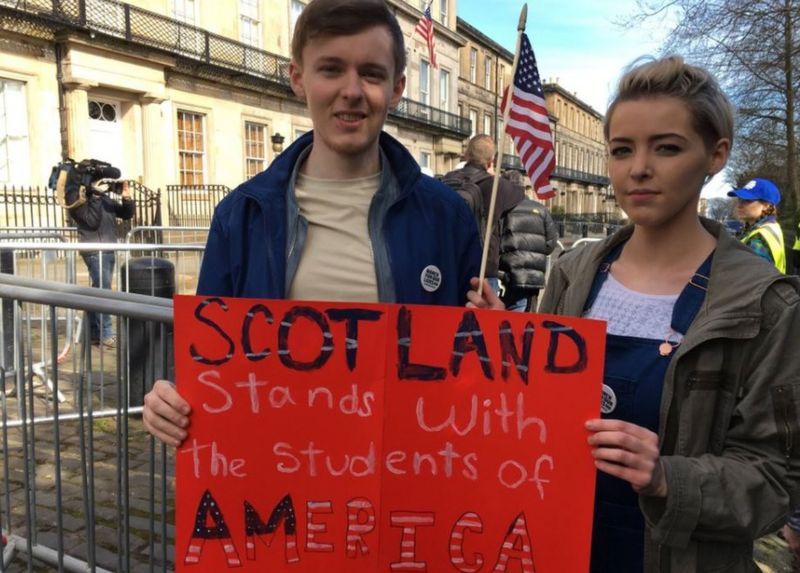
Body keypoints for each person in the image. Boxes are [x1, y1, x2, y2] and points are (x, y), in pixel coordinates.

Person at [469, 55, 800, 572]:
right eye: (622, 150)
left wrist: (668, 476)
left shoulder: (763, 303)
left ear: (716, 155)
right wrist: (504, 349)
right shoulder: (573, 272)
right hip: (554, 548)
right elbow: (536, 418)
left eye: (666, 147)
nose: (638, 168)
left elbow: (775, 484)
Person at [142, 0, 481, 446]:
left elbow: (476, 374)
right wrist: (168, 400)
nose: (352, 90)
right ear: (298, 79)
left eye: (372, 73)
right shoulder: (243, 216)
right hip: (279, 468)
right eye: (331, 69)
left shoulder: (447, 217)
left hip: (408, 472)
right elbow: (207, 363)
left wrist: (496, 345)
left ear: (397, 88)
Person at [442, 135, 524, 298]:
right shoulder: (496, 185)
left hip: (448, 262)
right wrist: (493, 174)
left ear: (466, 155)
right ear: (490, 160)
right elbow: (519, 191)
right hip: (483, 268)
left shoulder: (447, 179)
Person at [68, 177, 135, 347]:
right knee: (104, 292)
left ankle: (92, 333)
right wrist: (96, 197)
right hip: (94, 251)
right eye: (99, 182)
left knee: (96, 291)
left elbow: (126, 214)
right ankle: (106, 333)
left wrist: (127, 198)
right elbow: (92, 221)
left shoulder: (105, 200)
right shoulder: (79, 201)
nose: (104, 185)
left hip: (107, 249)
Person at [497, 196, 558, 311]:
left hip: (509, 270)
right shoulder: (541, 209)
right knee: (524, 309)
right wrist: (536, 254)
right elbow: (551, 243)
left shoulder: (504, 208)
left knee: (511, 307)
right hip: (533, 272)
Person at [728, 177, 786, 272]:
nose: (739, 205)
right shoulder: (769, 227)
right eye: (740, 200)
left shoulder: (759, 239)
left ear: (766, 205)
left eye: (747, 200)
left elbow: (747, 279)